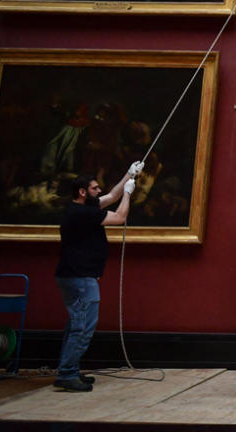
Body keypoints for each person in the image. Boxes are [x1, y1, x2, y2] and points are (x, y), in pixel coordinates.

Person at [53, 161, 141, 392]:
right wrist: (129, 195)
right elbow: (120, 216)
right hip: (80, 277)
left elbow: (111, 195)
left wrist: (128, 174)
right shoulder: (82, 213)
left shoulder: (81, 208)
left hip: (75, 276)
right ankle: (67, 373)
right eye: (94, 188)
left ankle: (68, 368)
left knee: (76, 324)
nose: (98, 191)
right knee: (83, 326)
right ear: (82, 192)